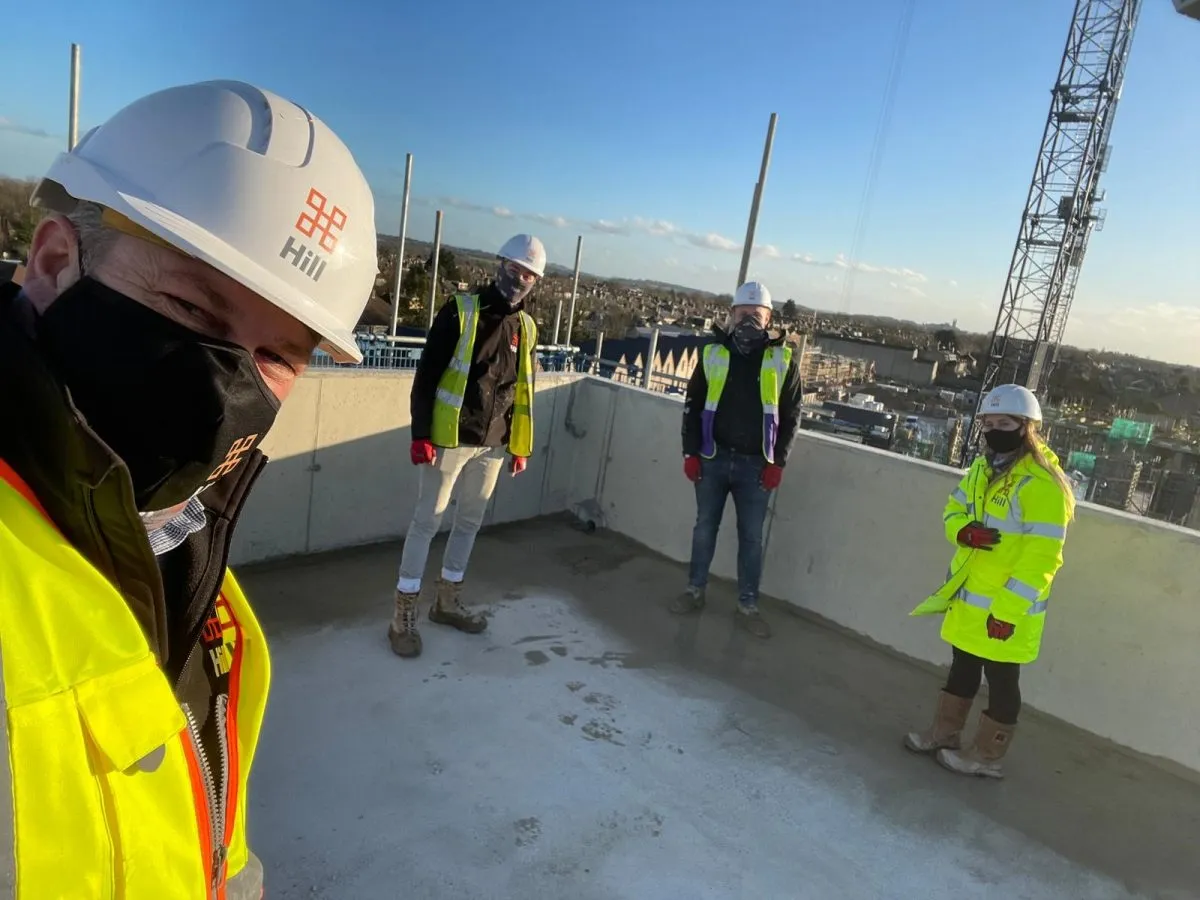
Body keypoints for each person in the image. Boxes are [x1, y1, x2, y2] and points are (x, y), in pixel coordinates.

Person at [0, 81, 377, 896]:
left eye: (277, 357)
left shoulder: (192, 557)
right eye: (190, 309)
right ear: (55, 262)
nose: (223, 389)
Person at [905, 384, 1075, 779]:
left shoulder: (1043, 485)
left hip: (1006, 610)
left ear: (1027, 428)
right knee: (962, 670)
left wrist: (1008, 612)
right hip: (971, 600)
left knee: (1002, 681)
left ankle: (986, 756)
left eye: (1006, 424)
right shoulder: (983, 469)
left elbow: (1042, 558)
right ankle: (945, 734)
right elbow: (954, 508)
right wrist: (963, 531)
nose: (995, 431)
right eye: (989, 423)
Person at [388, 234, 543, 658]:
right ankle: (403, 614)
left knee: (469, 522)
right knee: (427, 521)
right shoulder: (461, 310)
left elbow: (522, 392)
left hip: (493, 445)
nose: (520, 279)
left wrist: (519, 447)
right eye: (515, 268)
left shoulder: (526, 328)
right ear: (499, 264)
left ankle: (447, 601)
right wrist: (421, 433)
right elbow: (428, 374)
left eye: (529, 274)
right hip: (449, 439)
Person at [673, 281, 804, 638]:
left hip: (756, 466)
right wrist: (690, 452)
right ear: (731, 314)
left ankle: (748, 606)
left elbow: (792, 415)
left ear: (769, 319)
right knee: (704, 529)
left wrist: (778, 462)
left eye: (756, 315)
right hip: (713, 457)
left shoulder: (782, 360)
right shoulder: (714, 353)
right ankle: (694, 591)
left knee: (751, 539)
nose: (749, 320)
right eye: (743, 313)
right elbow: (693, 404)